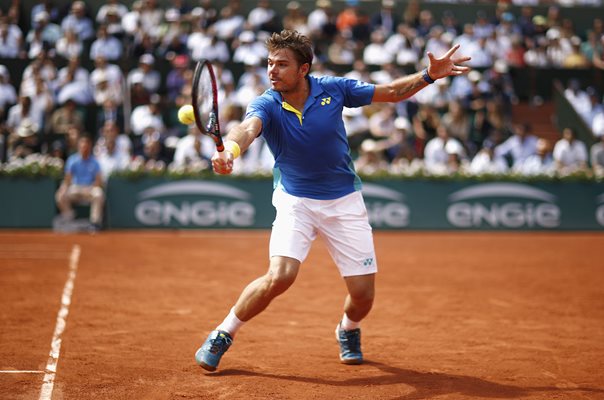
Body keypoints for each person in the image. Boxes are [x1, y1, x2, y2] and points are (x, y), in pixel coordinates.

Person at [194, 29, 470, 372]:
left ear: (303, 69)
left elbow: (391, 93)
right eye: (269, 63)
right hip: (296, 201)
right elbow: (247, 129)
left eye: (281, 64)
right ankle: (222, 333)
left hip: (344, 203)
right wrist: (231, 152)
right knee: (280, 275)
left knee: (363, 297)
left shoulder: (334, 89)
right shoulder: (267, 102)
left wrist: (429, 75)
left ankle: (348, 329)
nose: (272, 71)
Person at [55, 135, 105, 231]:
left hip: (90, 188)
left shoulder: (95, 162)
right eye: (82, 147)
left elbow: (99, 180)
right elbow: (67, 179)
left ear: (90, 148)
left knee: (99, 194)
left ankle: (95, 223)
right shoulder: (72, 160)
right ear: (78, 147)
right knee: (60, 195)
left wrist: (90, 187)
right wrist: (63, 189)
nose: (84, 149)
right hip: (75, 189)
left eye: (86, 147)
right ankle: (69, 219)